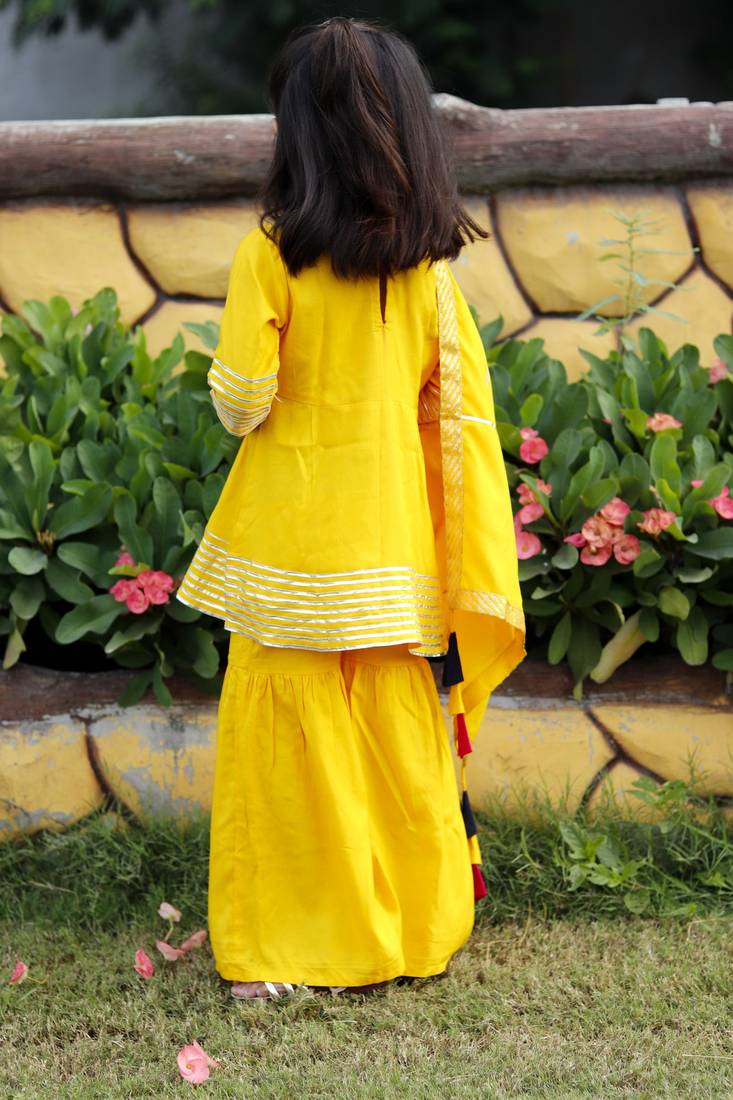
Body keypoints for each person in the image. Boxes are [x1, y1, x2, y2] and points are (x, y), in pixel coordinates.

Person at [176, 15, 525, 1000]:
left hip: (287, 560)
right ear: (409, 131)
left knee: (289, 764)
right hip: (395, 558)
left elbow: (241, 402)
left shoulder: (270, 254)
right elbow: (446, 416)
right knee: (392, 752)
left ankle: (286, 951)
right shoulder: (430, 269)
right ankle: (410, 932)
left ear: (298, 130)